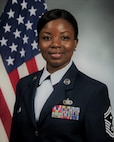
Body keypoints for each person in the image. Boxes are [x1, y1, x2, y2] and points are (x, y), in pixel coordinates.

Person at [9, 9, 114, 142]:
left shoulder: (93, 91)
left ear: (75, 43)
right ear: (38, 42)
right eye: (47, 38)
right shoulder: (24, 85)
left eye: (64, 37)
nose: (55, 44)